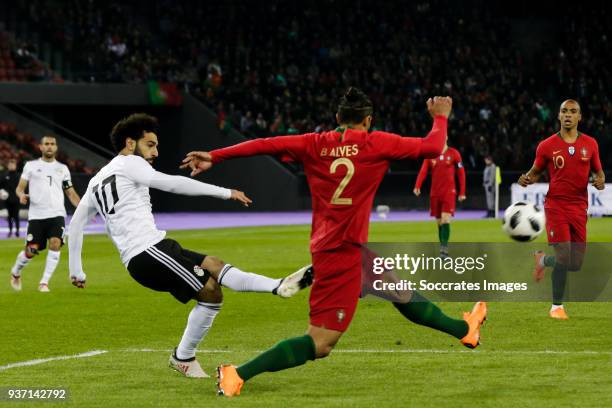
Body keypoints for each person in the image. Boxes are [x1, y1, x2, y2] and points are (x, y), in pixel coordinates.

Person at [182, 88, 487, 397]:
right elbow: (433, 146)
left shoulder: (314, 144)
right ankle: (237, 375)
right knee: (321, 342)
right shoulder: (378, 143)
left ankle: (465, 331)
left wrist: (215, 156)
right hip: (340, 255)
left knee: (400, 291)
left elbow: (264, 144)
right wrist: (440, 118)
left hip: (339, 246)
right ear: (368, 120)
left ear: (338, 118)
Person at [67, 113, 313, 378]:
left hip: (156, 247)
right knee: (211, 292)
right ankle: (183, 357)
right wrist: (225, 192)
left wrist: (76, 270)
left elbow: (77, 223)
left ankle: (277, 286)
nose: (156, 151)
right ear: (130, 144)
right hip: (147, 253)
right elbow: (172, 184)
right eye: (150, 145)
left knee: (215, 266)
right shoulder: (129, 164)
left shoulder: (96, 181)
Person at [519, 99, 605, 320]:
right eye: (564, 111)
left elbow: (598, 172)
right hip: (556, 205)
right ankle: (556, 307)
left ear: (579, 117)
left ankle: (543, 260)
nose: (568, 115)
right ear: (558, 116)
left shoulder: (591, 144)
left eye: (573, 111)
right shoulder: (546, 146)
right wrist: (527, 179)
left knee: (575, 264)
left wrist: (600, 181)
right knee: (565, 256)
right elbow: (536, 171)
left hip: (579, 207)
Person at [10, 136, 81, 292]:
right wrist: (21, 195)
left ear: (56, 147)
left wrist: (83, 209)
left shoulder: (63, 168)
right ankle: (15, 272)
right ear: (40, 147)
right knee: (31, 250)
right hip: (36, 216)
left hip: (57, 215)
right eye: (46, 144)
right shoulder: (31, 166)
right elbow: (19, 188)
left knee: (55, 244)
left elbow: (71, 193)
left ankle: (44, 282)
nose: (49, 146)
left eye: (52, 144)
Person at [413, 140, 466, 257]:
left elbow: (461, 172)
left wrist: (462, 192)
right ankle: (442, 246)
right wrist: (417, 185)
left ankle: (444, 248)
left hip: (449, 193)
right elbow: (423, 171)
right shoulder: (430, 155)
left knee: (445, 219)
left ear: (446, 138)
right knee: (439, 222)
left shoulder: (454, 153)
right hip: (435, 194)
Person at [1, 159, 21, 237]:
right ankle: (10, 231)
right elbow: (1, 186)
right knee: (9, 217)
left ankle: (17, 231)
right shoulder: (4, 175)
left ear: (15, 166)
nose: (11, 166)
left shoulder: (19, 176)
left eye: (13, 165)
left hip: (16, 200)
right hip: (7, 200)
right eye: (10, 165)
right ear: (8, 166)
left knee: (16, 216)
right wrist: (1, 192)